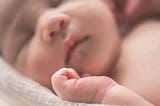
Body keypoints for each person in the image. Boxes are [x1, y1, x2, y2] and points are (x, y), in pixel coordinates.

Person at [0, 0, 159, 105]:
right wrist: (104, 94)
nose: (52, 21)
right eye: (25, 40)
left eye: (57, 2)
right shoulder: (113, 95)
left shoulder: (146, 20)